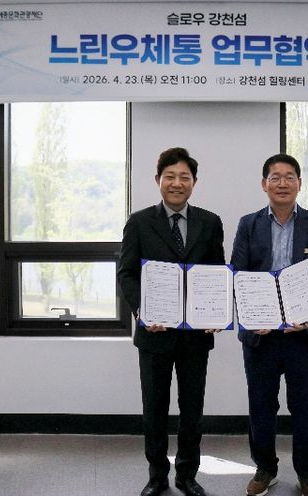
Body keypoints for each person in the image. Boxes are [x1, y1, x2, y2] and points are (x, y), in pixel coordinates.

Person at [118, 147, 225, 496]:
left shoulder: (210, 222)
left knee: (192, 409)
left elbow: (216, 274)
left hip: (195, 335)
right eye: (170, 176)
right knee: (155, 409)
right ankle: (157, 475)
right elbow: (127, 274)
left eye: (184, 177)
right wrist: (142, 311)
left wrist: (216, 312)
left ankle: (187, 474)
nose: (177, 183)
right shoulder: (138, 222)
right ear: (158, 180)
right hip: (154, 334)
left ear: (194, 182)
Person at [230, 153, 308, 496]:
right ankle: (265, 468)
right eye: (275, 177)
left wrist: (307, 312)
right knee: (261, 405)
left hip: (304, 334)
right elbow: (239, 273)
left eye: (289, 176)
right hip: (261, 335)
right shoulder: (248, 224)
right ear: (264, 184)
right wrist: (254, 316)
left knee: (306, 406)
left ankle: (307, 472)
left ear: (299, 184)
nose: (282, 183)